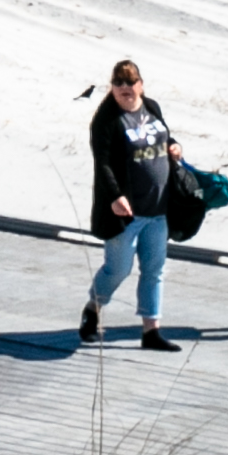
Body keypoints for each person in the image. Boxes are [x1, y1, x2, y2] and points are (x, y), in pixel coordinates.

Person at [81, 57, 189, 349]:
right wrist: (116, 197)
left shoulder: (151, 106)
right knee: (118, 269)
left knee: (154, 270)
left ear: (141, 85)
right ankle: (93, 310)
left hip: (158, 208)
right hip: (126, 212)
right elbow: (102, 164)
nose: (125, 87)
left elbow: (162, 135)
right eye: (119, 82)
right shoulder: (107, 119)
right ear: (111, 87)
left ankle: (150, 331)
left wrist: (174, 145)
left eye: (131, 82)